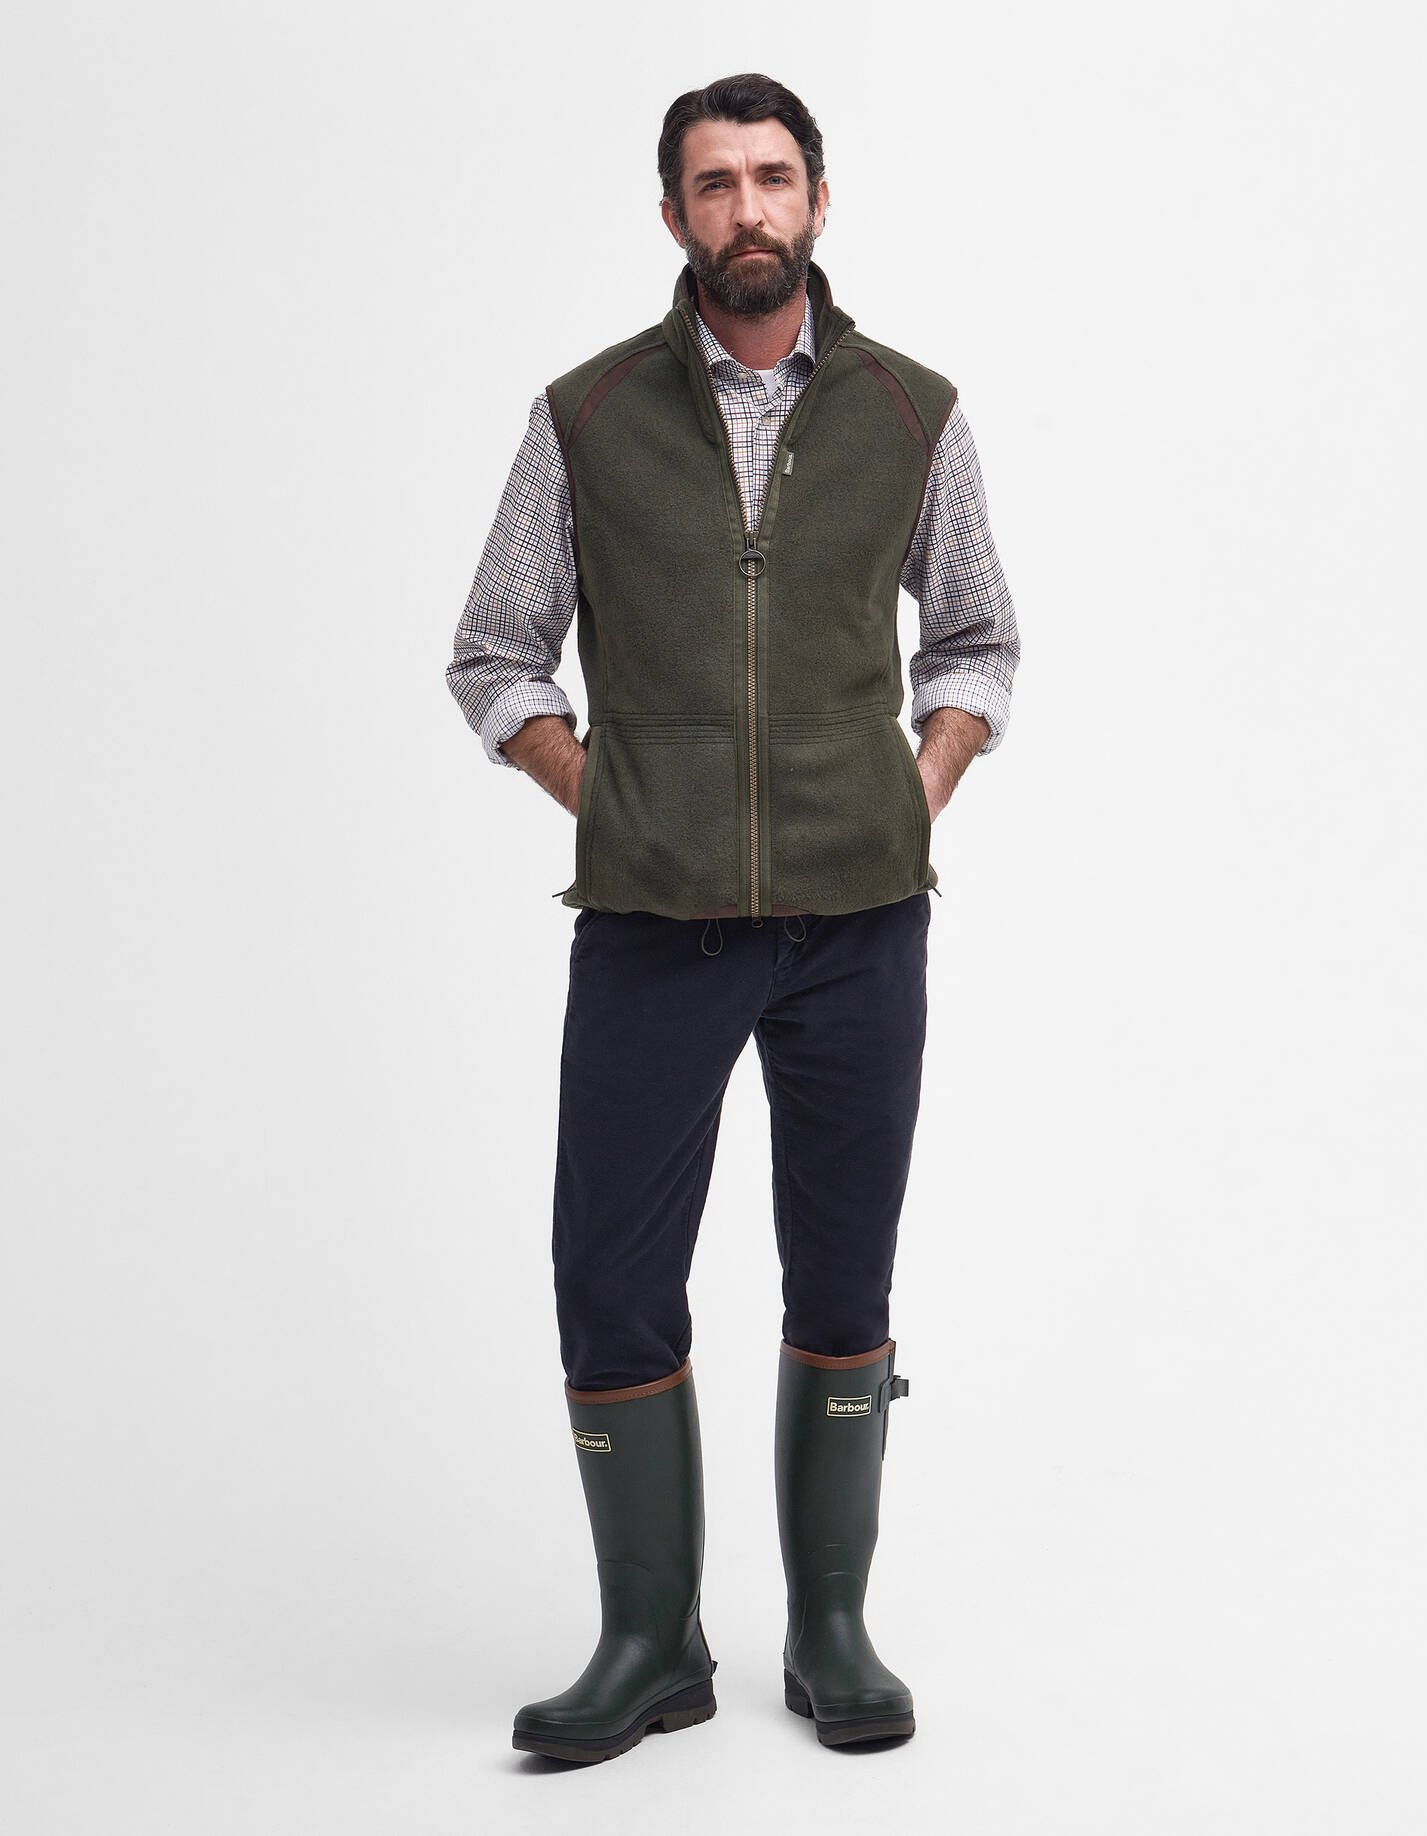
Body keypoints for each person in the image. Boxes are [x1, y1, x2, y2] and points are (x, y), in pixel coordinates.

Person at [446, 72, 1020, 1765]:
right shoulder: (587, 415)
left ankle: (831, 1630)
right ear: (674, 214)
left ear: (819, 202)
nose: (747, 208)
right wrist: (608, 797)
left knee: (844, 1271)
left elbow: (978, 637)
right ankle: (651, 1643)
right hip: (653, 923)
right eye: (714, 183)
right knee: (610, 1278)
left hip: (862, 926)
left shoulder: (912, 411)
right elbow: (493, 652)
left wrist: (913, 790)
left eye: (773, 177)